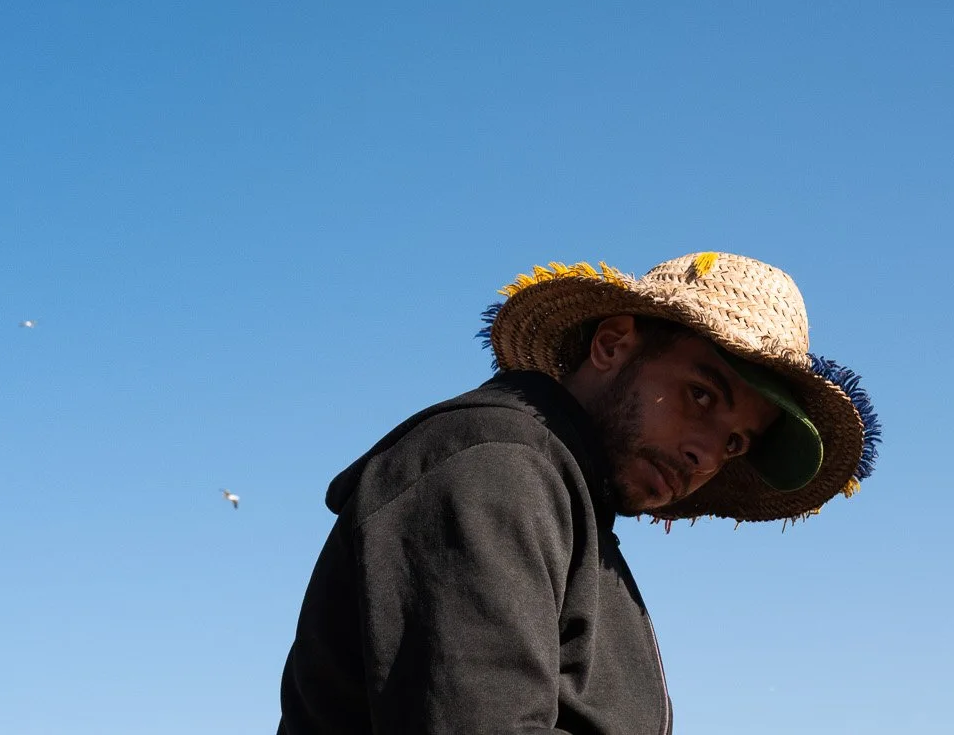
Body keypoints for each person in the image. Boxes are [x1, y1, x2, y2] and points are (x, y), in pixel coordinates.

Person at [277, 251, 880, 735]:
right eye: (701, 394)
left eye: (735, 445)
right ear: (612, 343)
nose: (706, 456)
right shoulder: (497, 468)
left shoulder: (571, 508)